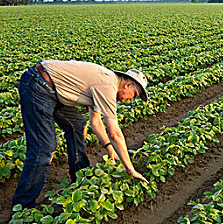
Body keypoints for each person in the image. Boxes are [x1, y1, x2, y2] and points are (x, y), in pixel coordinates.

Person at [12, 60, 149, 209]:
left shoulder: (107, 84)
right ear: (128, 85)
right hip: (38, 85)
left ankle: (80, 179)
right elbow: (114, 133)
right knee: (44, 148)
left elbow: (95, 122)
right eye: (135, 94)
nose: (132, 100)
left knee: (77, 125)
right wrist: (130, 169)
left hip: (53, 89)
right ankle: (23, 205)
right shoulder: (108, 85)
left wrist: (110, 148)